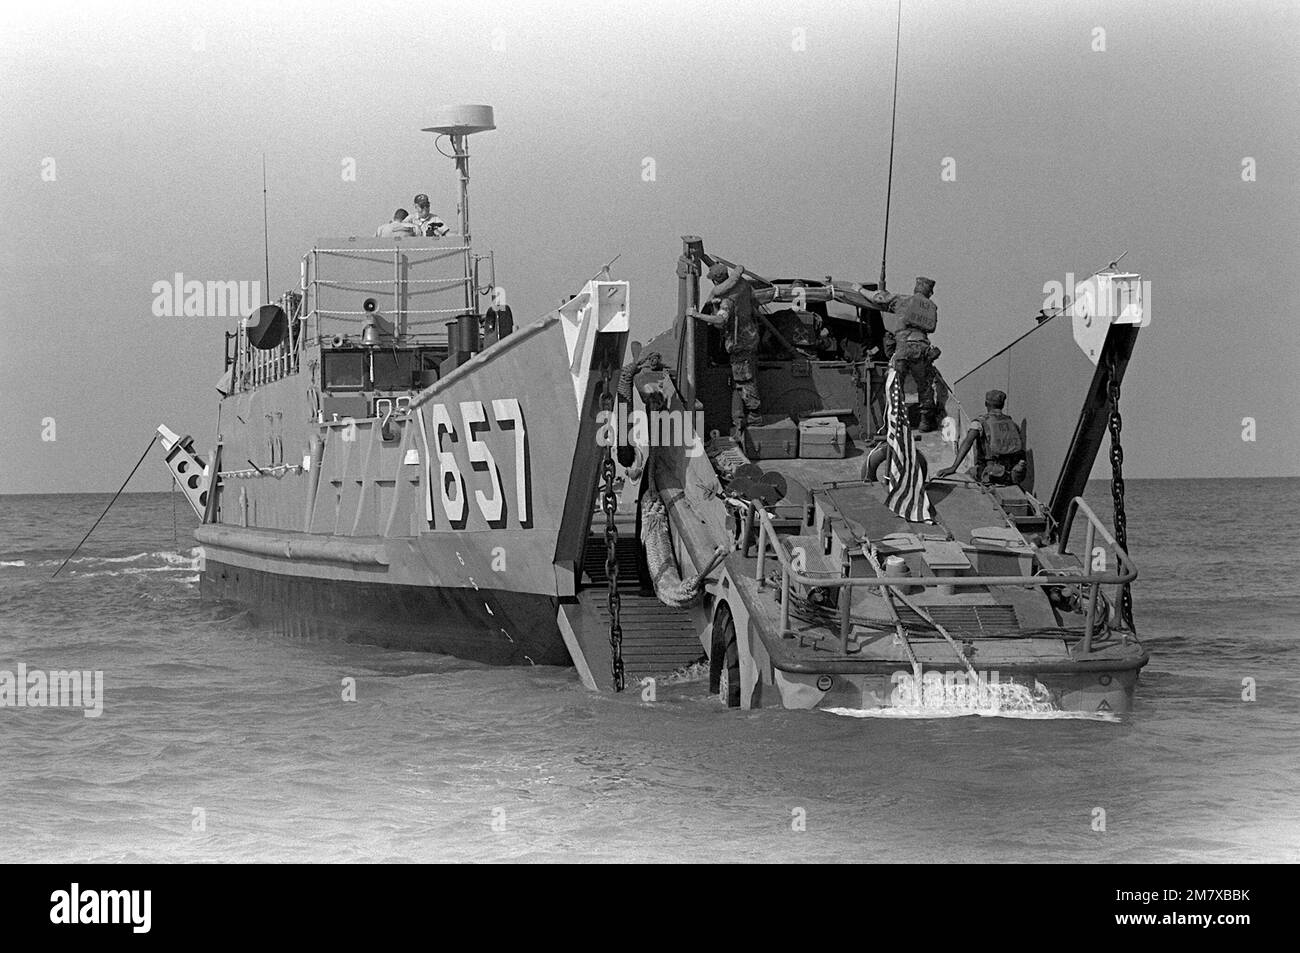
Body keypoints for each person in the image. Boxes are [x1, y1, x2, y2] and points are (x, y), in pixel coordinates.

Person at [855, 276, 941, 431]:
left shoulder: (903, 300)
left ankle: (897, 421)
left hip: (902, 348)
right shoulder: (931, 307)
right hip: (922, 348)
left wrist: (859, 289)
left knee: (896, 385)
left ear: (916, 288)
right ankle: (925, 421)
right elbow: (931, 327)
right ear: (930, 292)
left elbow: (878, 298)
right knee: (925, 386)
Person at [688, 261, 761, 443]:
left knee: (744, 379)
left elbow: (720, 321)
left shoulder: (727, 299)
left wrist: (697, 315)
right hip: (750, 336)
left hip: (740, 343)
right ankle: (746, 414)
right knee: (743, 377)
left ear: (717, 280)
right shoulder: (742, 285)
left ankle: (755, 416)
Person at [936, 389, 1027, 485]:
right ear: (1002, 405)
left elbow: (968, 442)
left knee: (966, 477)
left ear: (986, 404)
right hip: (1011, 473)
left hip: (990, 473)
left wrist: (953, 467)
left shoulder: (980, 422)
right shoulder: (1012, 424)